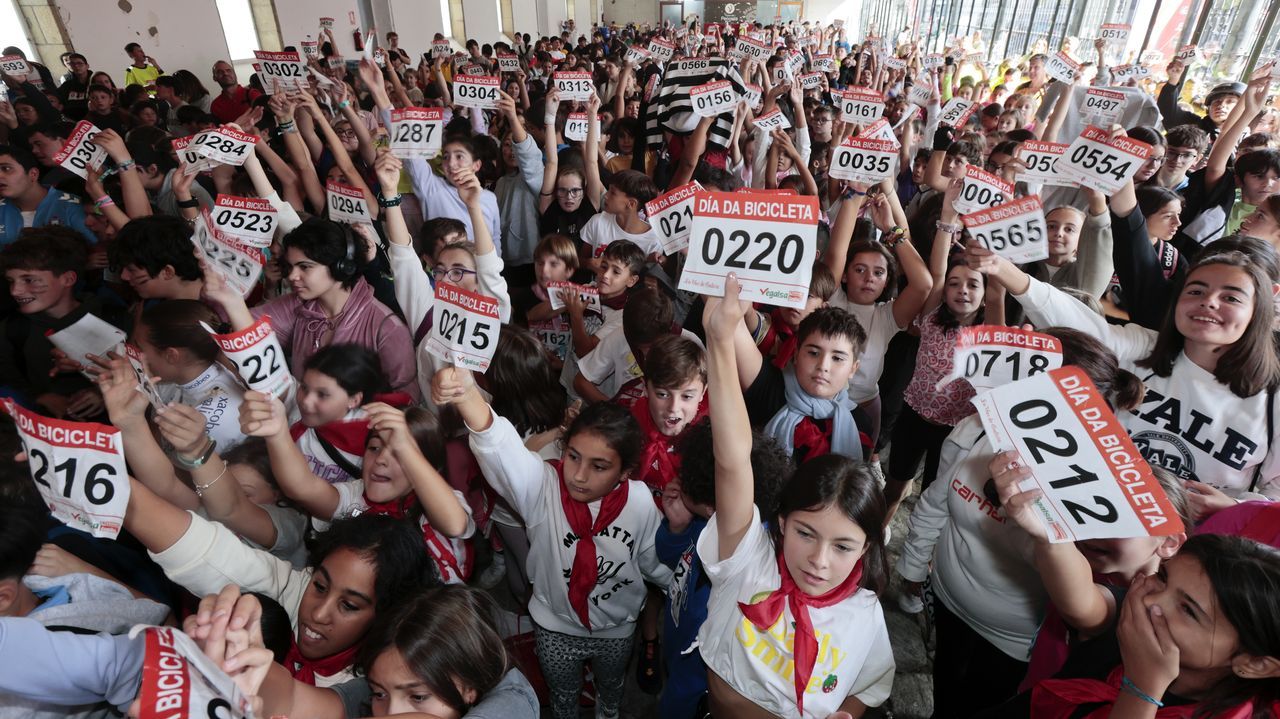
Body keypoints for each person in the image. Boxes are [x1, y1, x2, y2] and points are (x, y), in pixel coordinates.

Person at [695, 274, 894, 717]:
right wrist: (719, 339)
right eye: (806, 533)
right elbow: (732, 460)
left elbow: (871, 682)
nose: (819, 561)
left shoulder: (864, 611)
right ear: (782, 522)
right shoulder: (748, 560)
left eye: (843, 545)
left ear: (865, 547)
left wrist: (851, 711)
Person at [975, 242, 1280, 515]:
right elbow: (1078, 324)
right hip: (1096, 514)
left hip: (1189, 552)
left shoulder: (1273, 397)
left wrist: (1234, 508)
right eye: (1196, 291)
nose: (1209, 302)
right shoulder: (1143, 346)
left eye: (1231, 297)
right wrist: (1002, 268)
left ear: (1259, 311)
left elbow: (1275, 493)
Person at [440, 367, 672, 719]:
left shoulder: (640, 502)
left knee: (611, 689)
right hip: (554, 627)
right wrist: (467, 394)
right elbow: (502, 451)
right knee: (563, 696)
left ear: (625, 472)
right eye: (574, 456)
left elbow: (654, 562)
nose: (578, 475)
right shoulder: (543, 486)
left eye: (599, 466)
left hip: (617, 629)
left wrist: (681, 585)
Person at [975, 534, 1280, 718]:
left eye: (1188, 610)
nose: (1150, 603)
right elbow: (1083, 603)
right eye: (1162, 577)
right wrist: (1048, 535)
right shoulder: (1133, 621)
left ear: (1255, 664)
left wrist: (1142, 689)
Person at [240, 390, 476, 585]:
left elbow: (454, 524)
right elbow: (303, 488)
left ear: (428, 468)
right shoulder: (356, 495)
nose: (381, 459)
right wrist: (277, 432)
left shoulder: (438, 501)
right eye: (374, 447)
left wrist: (407, 448)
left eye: (400, 454)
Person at [204, 217, 419, 399]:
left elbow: (406, 400)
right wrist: (225, 291)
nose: (292, 276)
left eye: (305, 267)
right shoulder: (296, 305)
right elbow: (240, 326)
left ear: (341, 267)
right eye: (290, 267)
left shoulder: (387, 328)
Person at [0, 227, 122, 418]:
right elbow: (8, 379)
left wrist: (103, 393)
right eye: (10, 281)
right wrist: (39, 398)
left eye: (30, 280)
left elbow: (141, 374)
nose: (15, 291)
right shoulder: (11, 329)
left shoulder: (113, 317)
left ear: (68, 279)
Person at [0, 145, 92, 246]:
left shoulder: (72, 206)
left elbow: (95, 247)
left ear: (33, 174)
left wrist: (89, 259)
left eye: (6, 168)